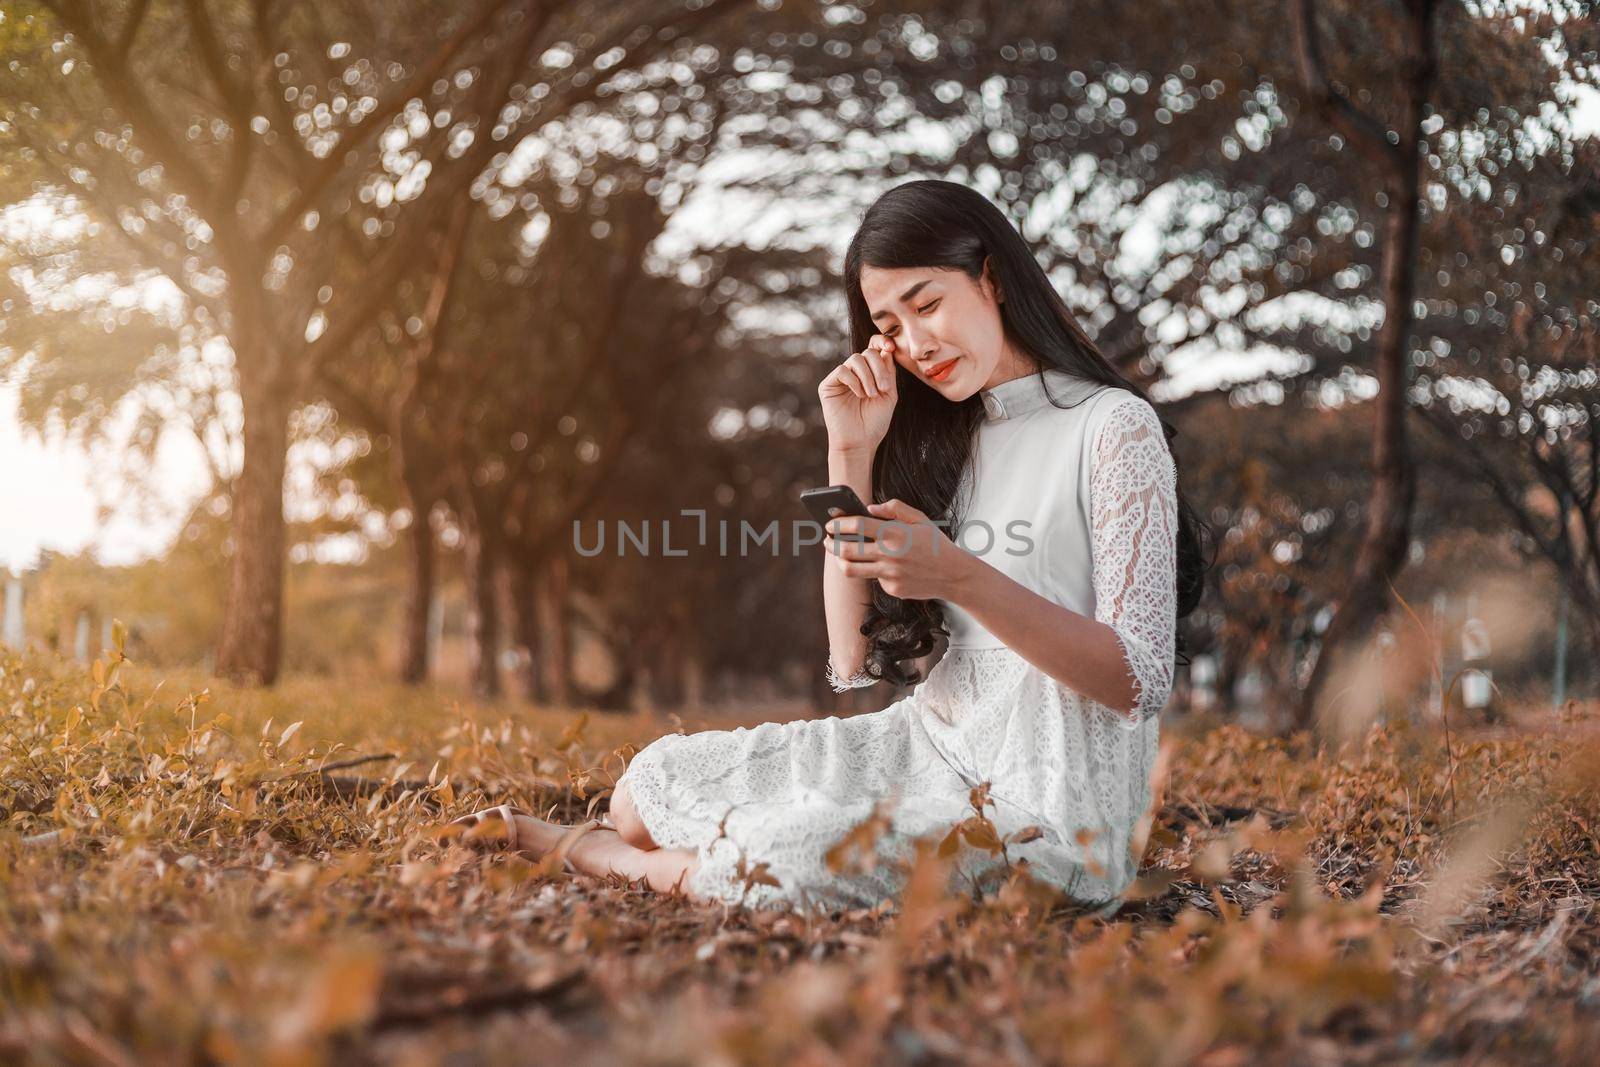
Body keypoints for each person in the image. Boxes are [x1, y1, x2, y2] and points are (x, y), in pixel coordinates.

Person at [448, 179, 1211, 913]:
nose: (915, 344)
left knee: (798, 850)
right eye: (888, 328)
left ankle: (604, 855)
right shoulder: (956, 440)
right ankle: (653, 843)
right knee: (648, 787)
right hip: (925, 747)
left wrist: (960, 575)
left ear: (993, 279)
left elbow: (1137, 678)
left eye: (927, 305)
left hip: (1050, 812)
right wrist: (849, 451)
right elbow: (850, 658)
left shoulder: (1113, 427)